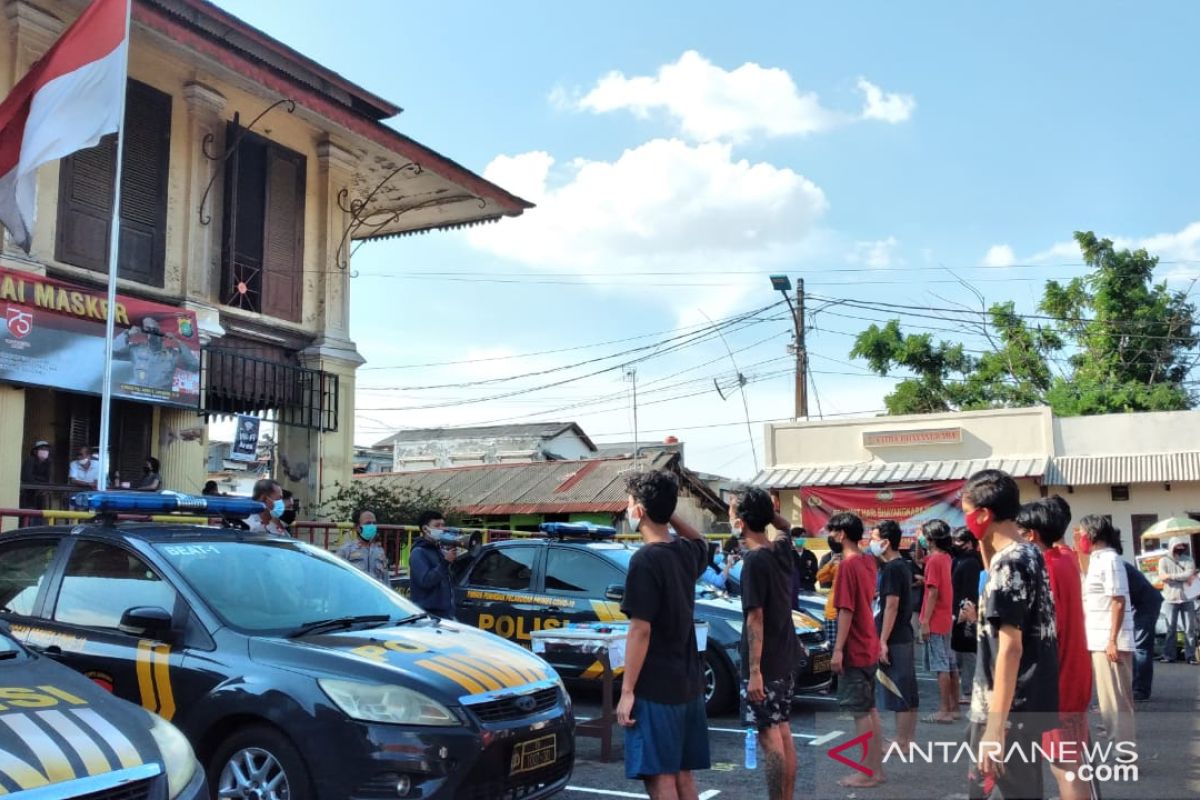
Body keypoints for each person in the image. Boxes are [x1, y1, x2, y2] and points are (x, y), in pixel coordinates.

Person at [961, 469, 1058, 800]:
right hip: (1024, 701)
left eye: (968, 514)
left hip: (1004, 706)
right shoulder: (1027, 553)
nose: (967, 521)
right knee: (1021, 789)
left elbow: (1010, 648)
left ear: (984, 514)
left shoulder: (1010, 564)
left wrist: (994, 726)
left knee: (994, 788)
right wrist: (983, 543)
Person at [617, 470, 711, 799]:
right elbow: (701, 541)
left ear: (639, 511)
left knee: (660, 777)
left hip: (655, 687)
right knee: (683, 774)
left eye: (629, 504)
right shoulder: (685, 554)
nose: (627, 511)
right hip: (688, 682)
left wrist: (628, 690)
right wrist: (666, 509)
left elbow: (640, 629)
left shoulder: (645, 560)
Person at [1016, 496, 1092, 800]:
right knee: (1070, 763)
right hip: (1073, 673)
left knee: (1064, 765)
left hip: (1058, 681)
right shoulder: (1066, 558)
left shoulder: (1046, 567)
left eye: (1021, 533)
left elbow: (1046, 631)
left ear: (1032, 534)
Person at [733, 488, 798, 800]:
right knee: (782, 730)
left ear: (742, 521)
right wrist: (767, 512)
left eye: (732, 513)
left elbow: (755, 617)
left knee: (769, 737)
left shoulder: (755, 561)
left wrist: (755, 670)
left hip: (766, 662)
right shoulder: (780, 549)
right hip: (784, 657)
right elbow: (787, 528)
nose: (730, 518)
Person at [828, 511, 883, 788]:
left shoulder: (848, 566)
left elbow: (846, 610)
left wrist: (838, 649)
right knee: (870, 709)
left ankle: (866, 773)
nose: (830, 536)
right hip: (869, 643)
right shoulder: (867, 561)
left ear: (841, 534)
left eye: (832, 531)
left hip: (856, 647)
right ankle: (876, 770)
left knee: (861, 713)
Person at [1079, 514, 1136, 749]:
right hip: (1101, 640)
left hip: (1110, 641)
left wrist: (1112, 640)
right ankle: (1119, 746)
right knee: (1109, 700)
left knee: (1117, 701)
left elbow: (1118, 601)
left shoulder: (1110, 560)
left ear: (1091, 535)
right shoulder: (1097, 559)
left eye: (1081, 534)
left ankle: (1124, 750)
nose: (1080, 539)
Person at [870, 520, 918, 751]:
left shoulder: (891, 568)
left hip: (895, 636)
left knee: (899, 688)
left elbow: (891, 605)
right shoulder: (902, 565)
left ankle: (901, 741)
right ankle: (907, 740)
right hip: (903, 634)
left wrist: (882, 641)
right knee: (907, 688)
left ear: (886, 542)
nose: (872, 542)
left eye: (875, 537)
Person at [919, 519, 959, 724]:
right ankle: (953, 707)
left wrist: (925, 621)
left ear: (931, 539)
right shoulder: (945, 557)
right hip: (946, 617)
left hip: (936, 619)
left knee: (940, 665)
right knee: (950, 664)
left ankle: (944, 709)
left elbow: (933, 592)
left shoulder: (934, 560)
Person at [112, 316, 200, 390]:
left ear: (162, 336)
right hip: (138, 398)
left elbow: (194, 367)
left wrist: (179, 343)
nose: (152, 334)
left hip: (162, 402)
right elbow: (110, 353)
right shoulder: (136, 351)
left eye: (155, 330)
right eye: (148, 330)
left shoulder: (172, 355)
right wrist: (127, 334)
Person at [950, 527, 983, 705]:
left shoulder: (971, 562)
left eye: (958, 541)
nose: (955, 544)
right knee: (959, 650)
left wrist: (964, 612)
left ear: (969, 543)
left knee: (968, 650)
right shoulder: (958, 560)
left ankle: (969, 690)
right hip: (956, 611)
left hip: (966, 613)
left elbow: (970, 591)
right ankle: (965, 687)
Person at [1125, 558, 1164, 700]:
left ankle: (1141, 689)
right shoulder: (1119, 563)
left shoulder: (1116, 566)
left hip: (1147, 603)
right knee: (1137, 646)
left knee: (1141, 647)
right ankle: (1136, 685)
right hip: (1141, 602)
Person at [408, 510, 457, 619]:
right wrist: (445, 562)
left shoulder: (438, 550)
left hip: (445, 613)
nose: (441, 529)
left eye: (442, 525)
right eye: (437, 525)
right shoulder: (418, 552)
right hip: (428, 614)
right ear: (425, 529)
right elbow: (426, 581)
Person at [1158, 536, 1197, 664]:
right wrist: (1181, 577)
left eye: (1182, 546)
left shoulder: (1188, 559)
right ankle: (1169, 656)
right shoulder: (1163, 560)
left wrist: (1171, 576)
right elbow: (1162, 577)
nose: (1180, 548)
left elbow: (1189, 574)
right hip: (1170, 599)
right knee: (1170, 629)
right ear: (1171, 546)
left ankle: (1190, 656)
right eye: (1177, 546)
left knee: (1189, 629)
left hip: (1187, 598)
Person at [336, 509, 389, 585]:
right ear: (357, 527)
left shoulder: (379, 552)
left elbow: (386, 581)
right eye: (367, 523)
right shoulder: (346, 551)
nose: (371, 526)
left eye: (374, 523)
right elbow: (337, 580)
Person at [816, 533, 844, 656]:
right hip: (833, 612)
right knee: (833, 652)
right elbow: (820, 577)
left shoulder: (853, 560)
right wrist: (831, 562)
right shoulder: (833, 562)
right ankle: (834, 675)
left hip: (847, 611)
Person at [19, 440, 52, 510]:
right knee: (27, 512)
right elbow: (26, 477)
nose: (45, 451)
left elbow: (47, 478)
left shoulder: (48, 463)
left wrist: (42, 486)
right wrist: (39, 482)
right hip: (28, 493)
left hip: (40, 494)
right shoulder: (30, 460)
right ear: (35, 451)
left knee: (40, 513)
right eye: (42, 449)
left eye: (46, 449)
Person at [790, 526, 819, 596]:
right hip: (792, 589)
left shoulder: (810, 555)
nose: (802, 539)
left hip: (809, 588)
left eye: (804, 537)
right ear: (793, 538)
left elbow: (815, 572)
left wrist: (808, 577)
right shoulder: (788, 555)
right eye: (800, 537)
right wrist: (804, 575)